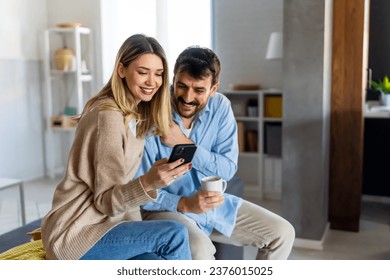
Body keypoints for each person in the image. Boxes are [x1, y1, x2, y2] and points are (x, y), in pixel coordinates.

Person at [41, 34, 193, 260]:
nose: (152, 82)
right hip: (76, 234)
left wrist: (140, 233)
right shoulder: (108, 117)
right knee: (175, 233)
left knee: (154, 261)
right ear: (122, 70)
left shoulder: (136, 116)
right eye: (143, 72)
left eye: (158, 74)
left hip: (108, 227)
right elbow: (105, 201)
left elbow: (121, 197)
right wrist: (149, 182)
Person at [136, 46, 295, 260]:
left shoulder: (221, 107)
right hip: (165, 208)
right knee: (202, 250)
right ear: (173, 80)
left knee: (282, 233)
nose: (187, 97)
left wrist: (184, 144)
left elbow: (227, 168)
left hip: (212, 204)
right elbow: (142, 194)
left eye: (199, 90)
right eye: (181, 86)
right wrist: (184, 204)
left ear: (213, 89)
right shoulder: (151, 113)